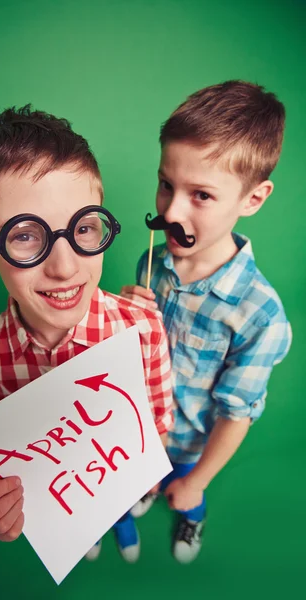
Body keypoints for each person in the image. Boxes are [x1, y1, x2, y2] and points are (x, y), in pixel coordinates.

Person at [0, 105, 173, 564]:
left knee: (123, 504)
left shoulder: (143, 329)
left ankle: (121, 515)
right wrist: (11, 502)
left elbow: (160, 418)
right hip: (64, 495)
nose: (64, 268)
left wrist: (142, 471)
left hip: (127, 472)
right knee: (84, 524)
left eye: (83, 228)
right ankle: (88, 528)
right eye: (25, 235)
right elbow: (13, 458)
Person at [121, 81, 292, 564]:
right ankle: (144, 490)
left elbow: (236, 413)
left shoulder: (261, 316)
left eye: (201, 195)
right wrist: (129, 326)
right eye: (166, 185)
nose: (170, 212)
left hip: (194, 444)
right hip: (141, 428)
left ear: (253, 199)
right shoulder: (151, 263)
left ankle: (191, 513)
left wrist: (195, 479)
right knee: (139, 481)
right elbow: (144, 355)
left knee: (187, 492)